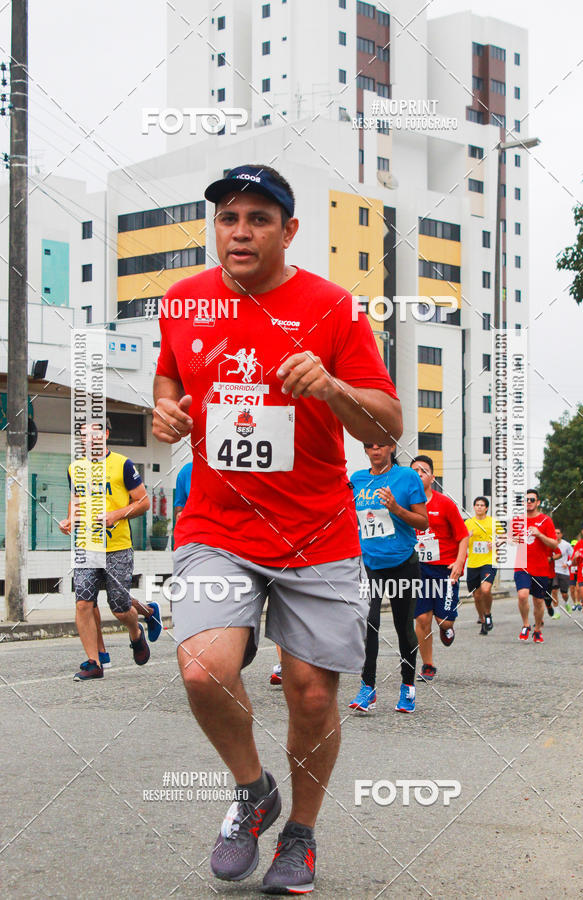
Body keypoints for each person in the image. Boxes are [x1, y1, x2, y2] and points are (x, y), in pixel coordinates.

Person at [151, 164, 402, 894]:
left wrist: (332, 386)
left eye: (259, 219)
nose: (240, 232)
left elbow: (387, 424)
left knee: (313, 695)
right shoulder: (184, 301)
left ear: (288, 231)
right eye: (229, 217)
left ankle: (300, 835)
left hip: (316, 533)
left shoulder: (333, 308)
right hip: (218, 525)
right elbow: (170, 376)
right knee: (203, 669)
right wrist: (167, 409)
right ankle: (254, 790)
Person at [59, 420, 162, 680]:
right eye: (84, 436)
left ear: (105, 434)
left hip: (117, 547)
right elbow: (75, 501)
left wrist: (116, 514)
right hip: (86, 546)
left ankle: (136, 633)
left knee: (119, 607)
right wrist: (69, 520)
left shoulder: (122, 464)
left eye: (94, 434)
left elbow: (143, 502)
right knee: (83, 603)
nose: (89, 440)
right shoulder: (75, 468)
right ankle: (93, 663)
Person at [348, 442, 427, 714]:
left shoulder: (407, 477)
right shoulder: (357, 480)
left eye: (380, 445)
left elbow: (423, 521)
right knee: (368, 622)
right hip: (370, 565)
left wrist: (396, 508)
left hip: (403, 564)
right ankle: (367, 687)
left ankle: (408, 686)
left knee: (403, 628)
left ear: (391, 447)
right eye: (369, 446)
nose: (375, 450)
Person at [410, 456, 469, 681]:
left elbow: (463, 536)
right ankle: (428, 665)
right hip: (419, 570)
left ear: (432, 477)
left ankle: (446, 628)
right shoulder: (406, 505)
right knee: (422, 619)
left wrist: (459, 562)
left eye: (423, 471)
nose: (418, 474)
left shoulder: (445, 504)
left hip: (445, 570)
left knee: (444, 621)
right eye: (414, 471)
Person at [513, 489, 558, 643]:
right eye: (526, 500)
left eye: (532, 500)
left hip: (540, 568)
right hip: (522, 566)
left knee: (538, 601)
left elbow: (554, 544)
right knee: (522, 595)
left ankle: (537, 629)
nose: (529, 502)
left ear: (538, 502)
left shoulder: (546, 520)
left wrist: (539, 534)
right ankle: (526, 625)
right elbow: (511, 540)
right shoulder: (517, 520)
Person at [464, 497, 498, 635]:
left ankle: (488, 614)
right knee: (477, 596)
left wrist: (495, 543)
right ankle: (483, 619)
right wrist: (467, 536)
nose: (479, 507)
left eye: (482, 505)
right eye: (477, 505)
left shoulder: (493, 522)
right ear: (474, 507)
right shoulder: (468, 523)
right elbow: (462, 543)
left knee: (485, 589)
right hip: (473, 563)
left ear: (486, 508)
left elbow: (503, 538)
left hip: (489, 561)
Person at [550, 526, 571, 614]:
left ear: (561, 535)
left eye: (558, 533)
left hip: (564, 571)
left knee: (564, 594)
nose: (556, 535)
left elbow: (573, 556)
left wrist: (568, 564)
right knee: (554, 591)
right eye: (554, 533)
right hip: (553, 570)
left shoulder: (566, 545)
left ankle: (566, 602)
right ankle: (556, 611)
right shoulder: (550, 543)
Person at [569, 537, 581, 611]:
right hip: (571, 573)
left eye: (575, 546)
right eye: (572, 546)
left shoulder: (580, 553)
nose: (574, 547)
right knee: (572, 589)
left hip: (579, 572)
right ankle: (575, 603)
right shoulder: (569, 553)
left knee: (578, 588)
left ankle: (579, 602)